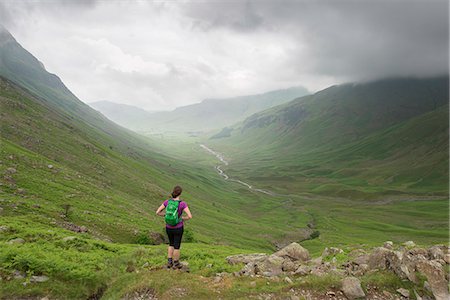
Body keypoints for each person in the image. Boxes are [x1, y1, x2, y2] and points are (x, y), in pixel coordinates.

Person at [155, 185, 192, 269]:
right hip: (178, 227)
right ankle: (176, 263)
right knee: (177, 246)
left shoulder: (167, 202)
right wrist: (182, 218)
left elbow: (157, 212)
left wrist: (166, 215)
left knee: (171, 244)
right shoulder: (182, 204)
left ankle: (169, 262)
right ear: (180, 194)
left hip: (168, 227)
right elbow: (189, 216)